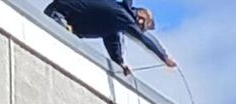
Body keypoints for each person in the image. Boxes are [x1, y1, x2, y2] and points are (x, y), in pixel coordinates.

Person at [43, 1, 176, 75]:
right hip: (61, 14)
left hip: (64, 18)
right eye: (143, 26)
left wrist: (120, 64)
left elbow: (114, 46)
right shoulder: (124, 16)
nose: (140, 30)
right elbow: (144, 39)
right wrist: (164, 57)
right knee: (64, 40)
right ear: (140, 18)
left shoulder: (113, 26)